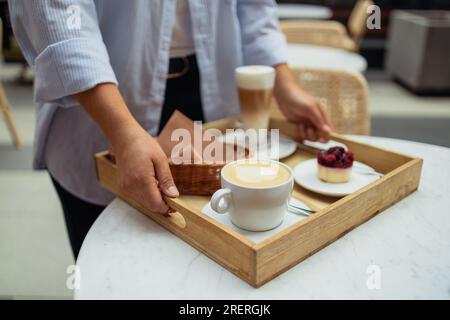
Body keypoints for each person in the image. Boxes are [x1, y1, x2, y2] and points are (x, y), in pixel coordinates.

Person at [8, 0, 332, 258]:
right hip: (102, 103)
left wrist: (283, 82)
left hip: (211, 95)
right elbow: (58, 14)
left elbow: (255, 8)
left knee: (205, 262)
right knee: (113, 265)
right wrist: (121, 131)